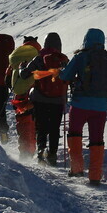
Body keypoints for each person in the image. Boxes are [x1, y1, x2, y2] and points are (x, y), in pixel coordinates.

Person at [60, 28, 107, 186]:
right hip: (100, 107)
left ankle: (77, 169)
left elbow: (65, 76)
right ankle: (95, 176)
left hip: (80, 104)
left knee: (75, 134)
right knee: (97, 140)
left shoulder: (80, 56)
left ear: (86, 40)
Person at [19, 32, 68, 166]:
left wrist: (21, 68)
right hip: (58, 100)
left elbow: (24, 75)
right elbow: (68, 78)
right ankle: (52, 154)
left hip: (40, 98)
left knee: (41, 126)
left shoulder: (39, 58)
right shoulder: (63, 59)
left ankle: (41, 152)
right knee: (54, 128)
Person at [8, 36, 42, 158]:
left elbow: (8, 78)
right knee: (36, 124)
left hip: (19, 95)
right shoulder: (39, 55)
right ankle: (37, 151)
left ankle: (25, 152)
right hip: (36, 93)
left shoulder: (16, 56)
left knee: (23, 123)